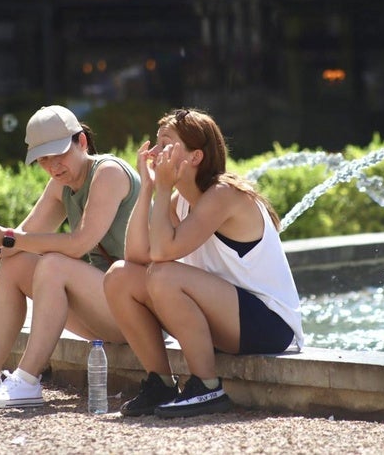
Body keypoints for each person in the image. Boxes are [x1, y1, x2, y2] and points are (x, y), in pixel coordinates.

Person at [0, 105, 140, 408]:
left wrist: (7, 239)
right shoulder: (62, 184)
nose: (52, 166)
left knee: (53, 264)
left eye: (59, 154)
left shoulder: (109, 172)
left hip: (140, 312)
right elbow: (19, 240)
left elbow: (79, 244)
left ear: (82, 143)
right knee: (16, 262)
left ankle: (27, 379)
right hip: (106, 309)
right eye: (43, 159)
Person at [103, 108, 304, 419]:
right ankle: (160, 383)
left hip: (269, 325)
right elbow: (135, 256)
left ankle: (207, 386)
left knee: (163, 275)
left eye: (165, 144)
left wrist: (164, 186)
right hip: (226, 319)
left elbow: (161, 254)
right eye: (155, 144)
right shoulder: (179, 200)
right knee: (119, 277)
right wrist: (147, 189)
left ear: (195, 157)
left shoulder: (224, 194)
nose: (154, 152)